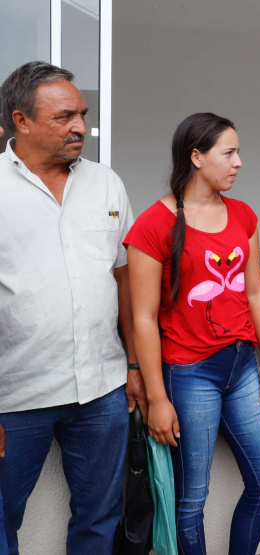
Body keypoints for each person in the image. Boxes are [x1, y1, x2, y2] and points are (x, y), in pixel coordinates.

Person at [0, 61, 145, 553]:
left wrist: (133, 364)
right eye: (64, 116)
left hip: (102, 388)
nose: (81, 126)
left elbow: (124, 279)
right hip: (15, 394)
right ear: (21, 121)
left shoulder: (106, 184)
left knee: (99, 516)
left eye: (81, 114)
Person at [125, 112, 260, 554]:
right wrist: (157, 398)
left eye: (238, 152)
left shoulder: (243, 215)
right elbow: (143, 318)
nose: (239, 162)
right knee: (190, 500)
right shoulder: (153, 225)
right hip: (189, 372)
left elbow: (255, 293)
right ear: (196, 156)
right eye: (229, 153)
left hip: (242, 366)